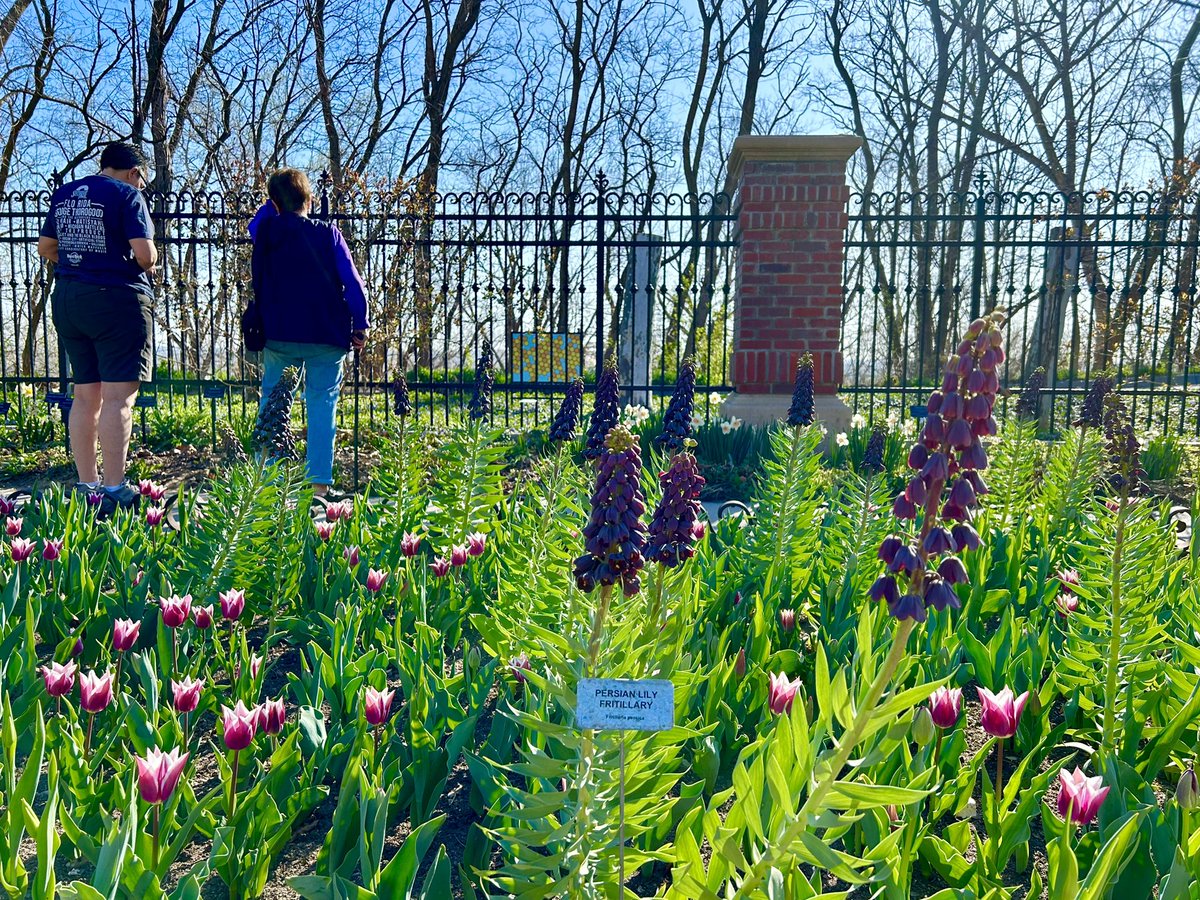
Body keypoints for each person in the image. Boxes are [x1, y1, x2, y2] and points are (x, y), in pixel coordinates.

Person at [37, 141, 157, 513]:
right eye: (142, 180)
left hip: (69, 298)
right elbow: (145, 255)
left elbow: (46, 247)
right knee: (120, 397)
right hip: (115, 302)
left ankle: (87, 485)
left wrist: (82, 263)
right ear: (135, 172)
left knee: (86, 395)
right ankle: (115, 489)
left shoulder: (66, 194)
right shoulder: (128, 196)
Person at [250, 169, 368, 497]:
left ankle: (268, 482)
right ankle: (318, 485)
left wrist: (271, 208)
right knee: (322, 403)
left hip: (279, 332)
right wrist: (360, 324)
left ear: (273, 203)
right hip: (326, 333)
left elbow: (254, 225)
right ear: (310, 199)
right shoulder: (328, 234)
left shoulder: (266, 231)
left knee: (272, 401)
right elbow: (353, 283)